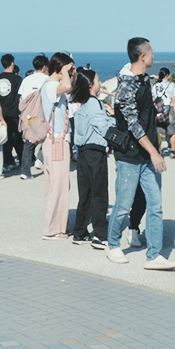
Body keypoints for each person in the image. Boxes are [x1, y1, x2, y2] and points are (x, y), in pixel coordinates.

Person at [107, 38, 175, 270]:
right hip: (129, 155)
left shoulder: (144, 80)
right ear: (142, 56)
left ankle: (154, 255)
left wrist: (154, 151)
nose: (154, 56)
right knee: (124, 203)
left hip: (148, 154)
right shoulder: (127, 86)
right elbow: (133, 125)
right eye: (151, 52)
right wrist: (154, 152)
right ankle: (112, 244)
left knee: (155, 204)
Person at [70, 69, 112, 248]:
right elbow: (103, 128)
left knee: (85, 193)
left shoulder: (83, 103)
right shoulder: (96, 103)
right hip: (96, 151)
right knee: (99, 193)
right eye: (97, 79)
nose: (100, 81)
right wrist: (114, 119)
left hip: (83, 152)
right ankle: (101, 235)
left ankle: (79, 231)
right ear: (90, 85)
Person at [40, 53, 75, 239]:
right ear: (59, 69)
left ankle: (55, 224)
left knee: (54, 184)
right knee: (59, 185)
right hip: (57, 140)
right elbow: (68, 86)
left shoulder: (50, 85)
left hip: (52, 139)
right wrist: (66, 70)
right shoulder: (52, 86)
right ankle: (55, 228)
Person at [17, 54, 49, 180]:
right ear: (45, 66)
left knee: (29, 142)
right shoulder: (47, 80)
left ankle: (25, 172)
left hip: (28, 115)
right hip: (42, 114)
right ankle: (46, 166)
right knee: (46, 140)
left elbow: (22, 97)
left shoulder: (26, 80)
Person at [0, 54, 23, 170]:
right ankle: (8, 162)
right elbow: (21, 96)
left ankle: (21, 159)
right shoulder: (18, 79)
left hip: (0, 112)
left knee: (10, 138)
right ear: (12, 63)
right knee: (11, 138)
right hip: (14, 112)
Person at [152, 68, 175, 157]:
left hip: (158, 108)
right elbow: (174, 99)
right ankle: (173, 151)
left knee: (158, 131)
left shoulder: (155, 86)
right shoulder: (172, 85)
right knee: (171, 130)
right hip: (168, 108)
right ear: (167, 75)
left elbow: (153, 98)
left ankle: (158, 150)